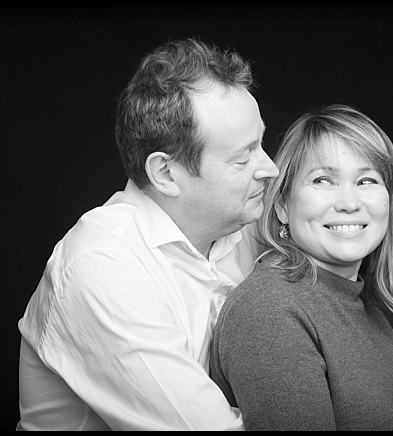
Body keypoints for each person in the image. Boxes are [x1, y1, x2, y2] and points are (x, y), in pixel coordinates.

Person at [16, 38, 279, 430]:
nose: (270, 168)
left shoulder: (245, 223)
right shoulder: (103, 266)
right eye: (244, 156)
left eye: (260, 143)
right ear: (166, 173)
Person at [208, 104, 393, 430]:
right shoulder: (270, 308)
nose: (348, 202)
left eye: (367, 180)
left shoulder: (363, 310)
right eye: (322, 180)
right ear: (282, 206)